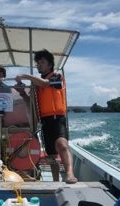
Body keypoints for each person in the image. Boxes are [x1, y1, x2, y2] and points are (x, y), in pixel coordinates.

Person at [15, 49, 77, 183]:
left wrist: (25, 75)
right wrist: (22, 92)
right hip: (44, 121)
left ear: (50, 65)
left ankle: (70, 174)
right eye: (37, 63)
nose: (39, 65)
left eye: (42, 62)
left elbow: (44, 84)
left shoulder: (57, 77)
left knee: (62, 144)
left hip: (57, 118)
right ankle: (55, 181)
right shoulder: (35, 84)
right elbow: (30, 102)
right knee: (51, 155)